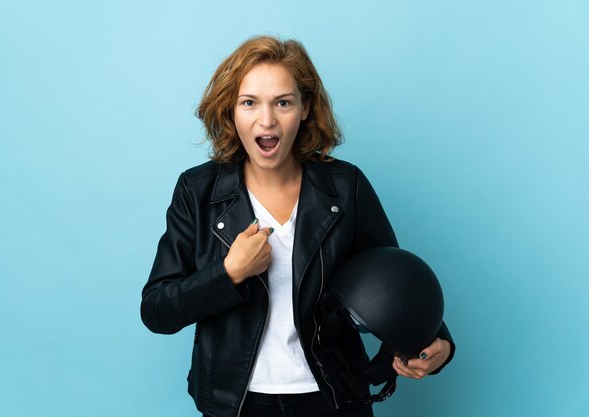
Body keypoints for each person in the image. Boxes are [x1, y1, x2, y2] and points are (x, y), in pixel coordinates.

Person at [140, 35, 455, 417]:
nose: (267, 119)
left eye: (283, 102)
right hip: (237, 403)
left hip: (334, 398)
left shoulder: (345, 187)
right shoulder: (197, 191)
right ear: (231, 111)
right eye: (249, 102)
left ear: (305, 109)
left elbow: (394, 282)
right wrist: (228, 273)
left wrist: (437, 341)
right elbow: (157, 310)